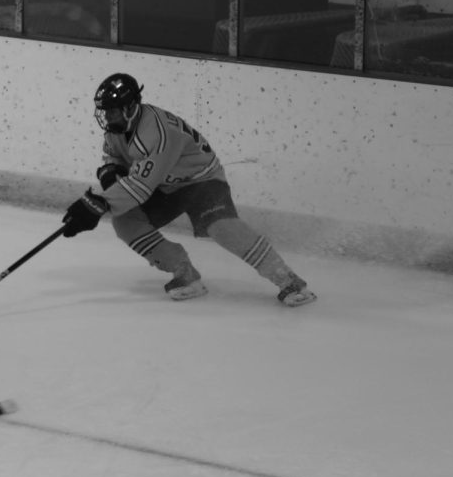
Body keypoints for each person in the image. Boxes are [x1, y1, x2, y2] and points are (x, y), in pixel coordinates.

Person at [61, 73, 316, 307]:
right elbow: (113, 158)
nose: (107, 118)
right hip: (165, 186)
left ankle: (289, 281)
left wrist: (96, 203)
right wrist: (110, 174)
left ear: (130, 107)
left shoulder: (157, 132)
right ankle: (184, 272)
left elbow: (139, 186)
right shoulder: (117, 130)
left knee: (223, 228)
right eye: (104, 112)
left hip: (201, 182)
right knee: (125, 222)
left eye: (112, 112)